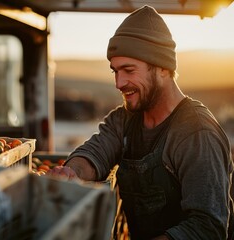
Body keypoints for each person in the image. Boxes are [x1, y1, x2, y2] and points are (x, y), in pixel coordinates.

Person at [47, 5, 234, 240]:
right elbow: (97, 151)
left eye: (129, 70)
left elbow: (208, 227)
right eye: (115, 71)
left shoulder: (197, 132)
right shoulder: (125, 119)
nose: (119, 83)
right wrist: (71, 172)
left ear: (164, 68)